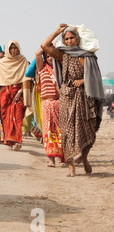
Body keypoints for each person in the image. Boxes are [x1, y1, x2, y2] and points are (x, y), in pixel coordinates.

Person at [41, 24, 104, 177]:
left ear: (77, 39)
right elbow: (44, 45)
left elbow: (95, 78)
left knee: (86, 129)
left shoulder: (87, 56)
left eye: (72, 38)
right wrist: (57, 31)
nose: (69, 41)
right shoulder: (63, 55)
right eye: (66, 38)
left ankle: (85, 159)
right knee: (68, 131)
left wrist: (83, 81)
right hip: (67, 96)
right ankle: (71, 166)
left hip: (84, 97)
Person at [0, 41, 32, 151]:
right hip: (5, 94)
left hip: (18, 93)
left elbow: (27, 79)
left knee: (18, 117)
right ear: (8, 50)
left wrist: (20, 91)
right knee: (6, 119)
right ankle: (9, 141)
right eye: (11, 48)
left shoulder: (23, 60)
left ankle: (18, 140)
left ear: (18, 49)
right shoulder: (3, 62)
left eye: (15, 48)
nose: (13, 50)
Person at [35, 46, 64, 167]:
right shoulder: (42, 69)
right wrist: (49, 45)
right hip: (46, 104)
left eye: (52, 55)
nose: (50, 58)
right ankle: (51, 159)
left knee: (61, 131)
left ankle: (63, 157)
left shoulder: (60, 69)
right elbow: (37, 53)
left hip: (59, 104)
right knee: (48, 131)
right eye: (47, 56)